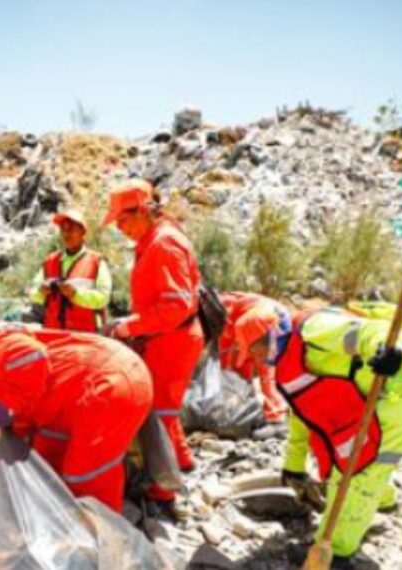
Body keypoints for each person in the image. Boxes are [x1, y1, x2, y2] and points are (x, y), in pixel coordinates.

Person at [242, 307, 402, 567]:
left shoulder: (314, 329)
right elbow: (303, 415)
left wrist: (393, 354)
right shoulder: (288, 361)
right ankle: (381, 500)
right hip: (374, 398)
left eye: (258, 349)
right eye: (253, 354)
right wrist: (294, 466)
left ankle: (337, 551)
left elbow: (373, 332)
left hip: (401, 392)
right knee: (356, 463)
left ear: (274, 333)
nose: (258, 360)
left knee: (358, 472)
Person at [0, 328, 152, 512]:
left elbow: (35, 359)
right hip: (76, 395)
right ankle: (61, 518)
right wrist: (11, 424)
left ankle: (101, 537)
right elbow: (34, 401)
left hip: (111, 386)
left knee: (85, 475)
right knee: (45, 459)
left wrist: (10, 407)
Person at [100, 179, 204, 504]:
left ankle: (163, 490)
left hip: (171, 340)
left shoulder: (164, 243)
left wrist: (128, 327)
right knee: (165, 408)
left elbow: (176, 306)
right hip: (165, 338)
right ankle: (183, 461)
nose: (119, 227)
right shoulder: (156, 237)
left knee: (160, 412)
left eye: (123, 219)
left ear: (143, 210)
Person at [28, 210, 112, 332]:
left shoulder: (96, 261)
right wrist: (41, 292)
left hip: (85, 336)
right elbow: (32, 292)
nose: (66, 234)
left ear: (83, 232)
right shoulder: (50, 261)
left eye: (71, 229)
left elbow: (103, 298)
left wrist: (76, 295)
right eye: (63, 230)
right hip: (54, 334)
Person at [218, 292, 290, 425]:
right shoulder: (232, 302)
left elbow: (227, 347)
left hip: (262, 321)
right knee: (260, 365)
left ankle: (274, 416)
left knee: (260, 365)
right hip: (280, 317)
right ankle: (272, 412)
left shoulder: (220, 306)